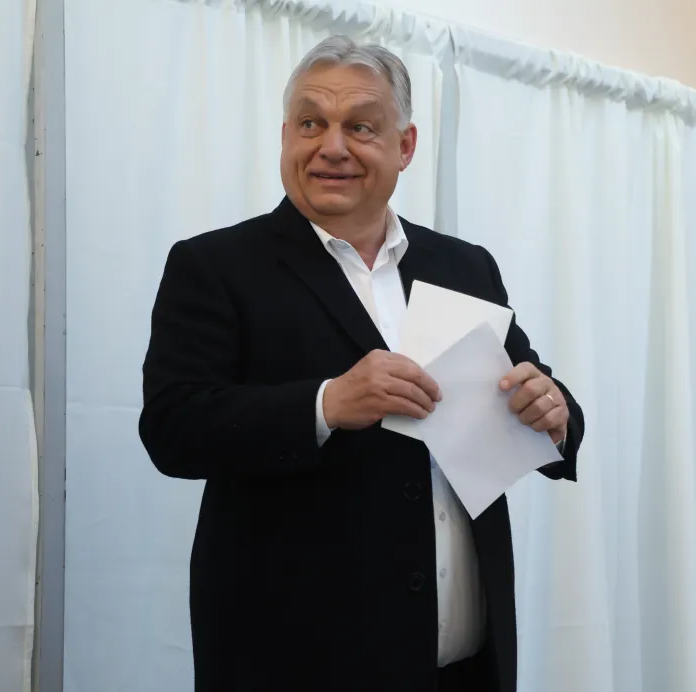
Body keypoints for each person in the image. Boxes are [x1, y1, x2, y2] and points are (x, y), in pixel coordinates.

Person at [139, 35, 584, 692]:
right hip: (296, 663)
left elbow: (534, 390)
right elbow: (173, 429)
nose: (333, 146)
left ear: (404, 146)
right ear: (286, 135)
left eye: (360, 126)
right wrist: (323, 405)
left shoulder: (464, 266)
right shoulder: (216, 267)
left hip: (466, 666)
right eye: (312, 123)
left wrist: (555, 408)